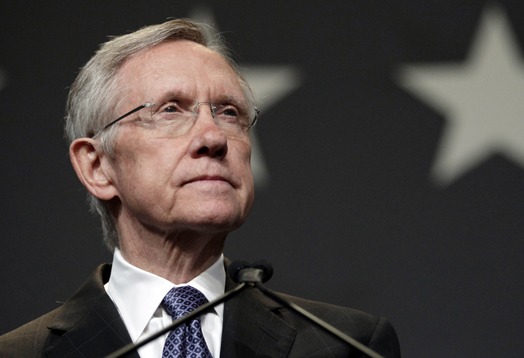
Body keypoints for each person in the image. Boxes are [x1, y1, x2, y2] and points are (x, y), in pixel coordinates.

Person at [0, 19, 400, 358]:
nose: (213, 136)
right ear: (98, 167)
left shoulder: (348, 346)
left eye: (229, 112)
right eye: (170, 109)